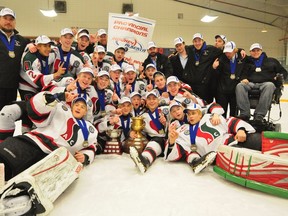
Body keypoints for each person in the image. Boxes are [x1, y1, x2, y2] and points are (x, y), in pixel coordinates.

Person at [0, 91, 97, 182]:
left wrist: (85, 157)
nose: (79, 108)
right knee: (4, 154)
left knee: (9, 165)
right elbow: (36, 109)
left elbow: (91, 147)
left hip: (51, 155)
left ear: (86, 112)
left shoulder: (90, 129)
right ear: (71, 106)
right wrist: (57, 97)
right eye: (76, 105)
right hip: (32, 140)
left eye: (82, 107)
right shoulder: (61, 109)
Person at [164, 103, 260, 174]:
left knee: (260, 141)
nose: (190, 116)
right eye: (188, 114)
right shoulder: (182, 129)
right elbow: (176, 153)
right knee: (251, 161)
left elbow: (230, 121)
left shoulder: (209, 117)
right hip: (221, 155)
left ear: (200, 114)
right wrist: (172, 141)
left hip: (233, 140)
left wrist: (241, 129)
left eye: (193, 113)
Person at [235, 43, 288, 122]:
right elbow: (241, 71)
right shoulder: (247, 62)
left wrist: (278, 76)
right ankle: (244, 114)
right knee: (240, 86)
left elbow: (284, 72)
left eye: (258, 50)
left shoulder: (272, 61)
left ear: (261, 51)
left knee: (269, 85)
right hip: (251, 83)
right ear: (250, 52)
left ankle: (259, 115)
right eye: (253, 51)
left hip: (266, 83)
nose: (256, 52)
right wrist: (243, 78)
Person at [129, 91, 168, 173]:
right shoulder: (143, 116)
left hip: (169, 139)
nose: (152, 101)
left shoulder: (166, 110)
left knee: (154, 143)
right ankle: (145, 159)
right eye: (149, 99)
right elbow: (137, 128)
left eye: (154, 99)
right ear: (146, 101)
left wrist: (166, 122)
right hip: (156, 140)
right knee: (153, 144)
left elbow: (179, 118)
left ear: (158, 100)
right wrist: (132, 132)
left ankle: (144, 159)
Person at [0, 8, 29, 110]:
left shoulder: (22, 41)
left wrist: (33, 47)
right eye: (5, 18)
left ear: (15, 22)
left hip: (13, 86)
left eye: (11, 19)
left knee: (7, 116)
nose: (8, 22)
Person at [213, 41, 248, 117]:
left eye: (229, 52)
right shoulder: (221, 59)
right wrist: (214, 68)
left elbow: (247, 69)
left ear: (235, 50)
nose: (227, 54)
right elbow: (216, 75)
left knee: (234, 115)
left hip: (235, 91)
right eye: (226, 52)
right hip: (223, 91)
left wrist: (244, 78)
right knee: (222, 114)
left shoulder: (242, 58)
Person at [185, 33, 222, 103]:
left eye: (199, 41)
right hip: (193, 86)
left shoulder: (211, 49)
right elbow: (181, 50)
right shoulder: (190, 49)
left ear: (203, 41)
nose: (197, 43)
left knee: (206, 106)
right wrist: (173, 54)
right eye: (195, 41)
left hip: (206, 86)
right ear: (193, 42)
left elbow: (224, 52)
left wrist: (239, 50)